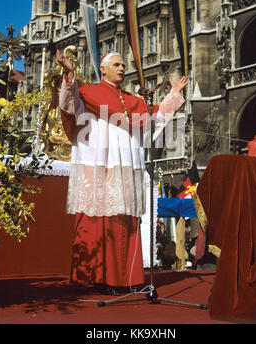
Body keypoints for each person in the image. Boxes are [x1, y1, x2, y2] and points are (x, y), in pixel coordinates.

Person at [57, 49, 188, 293]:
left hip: (126, 166)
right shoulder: (88, 92)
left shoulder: (131, 100)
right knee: (95, 221)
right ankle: (92, 278)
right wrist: (69, 75)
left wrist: (174, 95)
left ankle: (120, 278)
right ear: (103, 69)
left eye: (123, 65)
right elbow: (68, 104)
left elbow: (156, 118)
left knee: (122, 223)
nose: (121, 68)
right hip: (99, 165)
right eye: (116, 65)